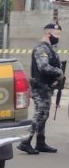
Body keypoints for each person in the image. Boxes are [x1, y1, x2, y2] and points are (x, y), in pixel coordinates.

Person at [18, 22, 65, 154]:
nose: (58, 37)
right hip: (40, 87)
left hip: (46, 87)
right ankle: (25, 142)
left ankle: (40, 142)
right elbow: (43, 67)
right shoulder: (42, 48)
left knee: (44, 115)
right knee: (40, 114)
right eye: (56, 34)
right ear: (47, 33)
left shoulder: (50, 48)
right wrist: (59, 72)